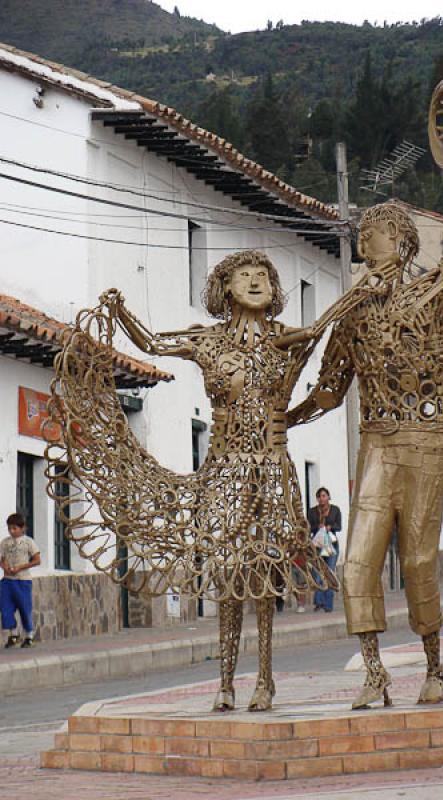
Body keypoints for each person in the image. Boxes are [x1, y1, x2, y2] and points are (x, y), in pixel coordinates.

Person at [47, 249, 377, 712]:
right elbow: (155, 345)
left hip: (271, 467)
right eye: (244, 275)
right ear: (225, 288)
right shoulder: (209, 341)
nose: (255, 281)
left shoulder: (287, 339)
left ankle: (264, 678)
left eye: (263, 274)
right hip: (224, 469)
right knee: (227, 571)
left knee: (263, 575)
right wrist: (120, 313)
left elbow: (319, 327)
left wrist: (359, 293)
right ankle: (225, 681)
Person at [289, 100, 443, 709]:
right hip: (375, 440)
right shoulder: (353, 314)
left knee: (421, 562)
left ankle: (433, 662)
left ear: (401, 243)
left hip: (424, 444)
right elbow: (330, 387)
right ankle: (374, 672)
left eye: (372, 238)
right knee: (358, 564)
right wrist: (287, 417)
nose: (363, 248)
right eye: (362, 240)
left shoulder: (434, 298)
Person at [1, 512, 41, 648]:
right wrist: (4, 566)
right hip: (7, 580)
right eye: (10, 528)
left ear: (22, 528)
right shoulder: (5, 543)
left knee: (24, 607)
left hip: (22, 580)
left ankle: (29, 635)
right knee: (6, 607)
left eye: (15, 528)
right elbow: (1, 558)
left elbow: (37, 560)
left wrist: (21, 567)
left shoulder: (28, 542)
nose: (12, 531)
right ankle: (13, 634)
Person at [308, 488, 341, 612]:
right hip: (318, 545)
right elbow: (309, 527)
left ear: (328, 497)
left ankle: (328, 604)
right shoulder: (312, 512)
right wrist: (318, 527)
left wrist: (329, 527)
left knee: (330, 573)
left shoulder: (335, 510)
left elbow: (339, 526)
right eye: (319, 496)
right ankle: (319, 601)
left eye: (324, 496)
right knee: (318, 572)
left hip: (331, 545)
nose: (322, 499)